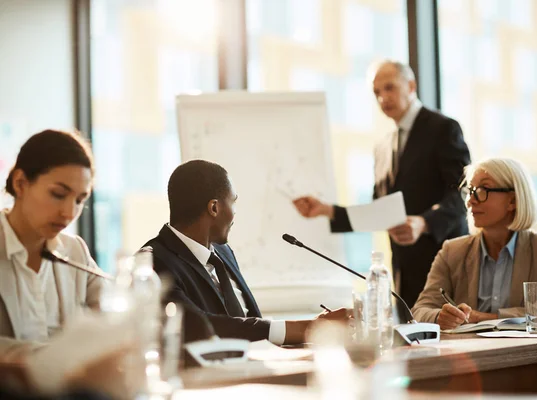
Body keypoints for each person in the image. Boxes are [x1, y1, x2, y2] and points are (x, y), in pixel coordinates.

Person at [293, 60, 471, 309]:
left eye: (389, 88)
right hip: (403, 272)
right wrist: (326, 210)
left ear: (411, 86)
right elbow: (378, 212)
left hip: (446, 265)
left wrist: (425, 222)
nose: (382, 98)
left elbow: (462, 191)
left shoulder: (444, 129)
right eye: (376, 92)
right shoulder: (383, 147)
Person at [143, 160, 349, 345]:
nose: (234, 214)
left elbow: (248, 322)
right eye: (233, 202)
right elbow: (196, 326)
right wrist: (310, 328)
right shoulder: (152, 262)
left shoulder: (222, 252)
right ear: (214, 208)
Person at [411, 158, 537, 329]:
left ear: (512, 201)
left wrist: (490, 318)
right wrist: (439, 317)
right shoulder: (452, 251)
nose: (471, 201)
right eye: (470, 190)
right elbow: (419, 311)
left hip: (528, 355)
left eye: (482, 190)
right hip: (472, 353)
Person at [0, 130, 105, 357]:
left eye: (80, 200)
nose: (69, 212)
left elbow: (114, 315)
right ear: (20, 183)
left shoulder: (75, 251)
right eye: (58, 194)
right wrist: (56, 359)